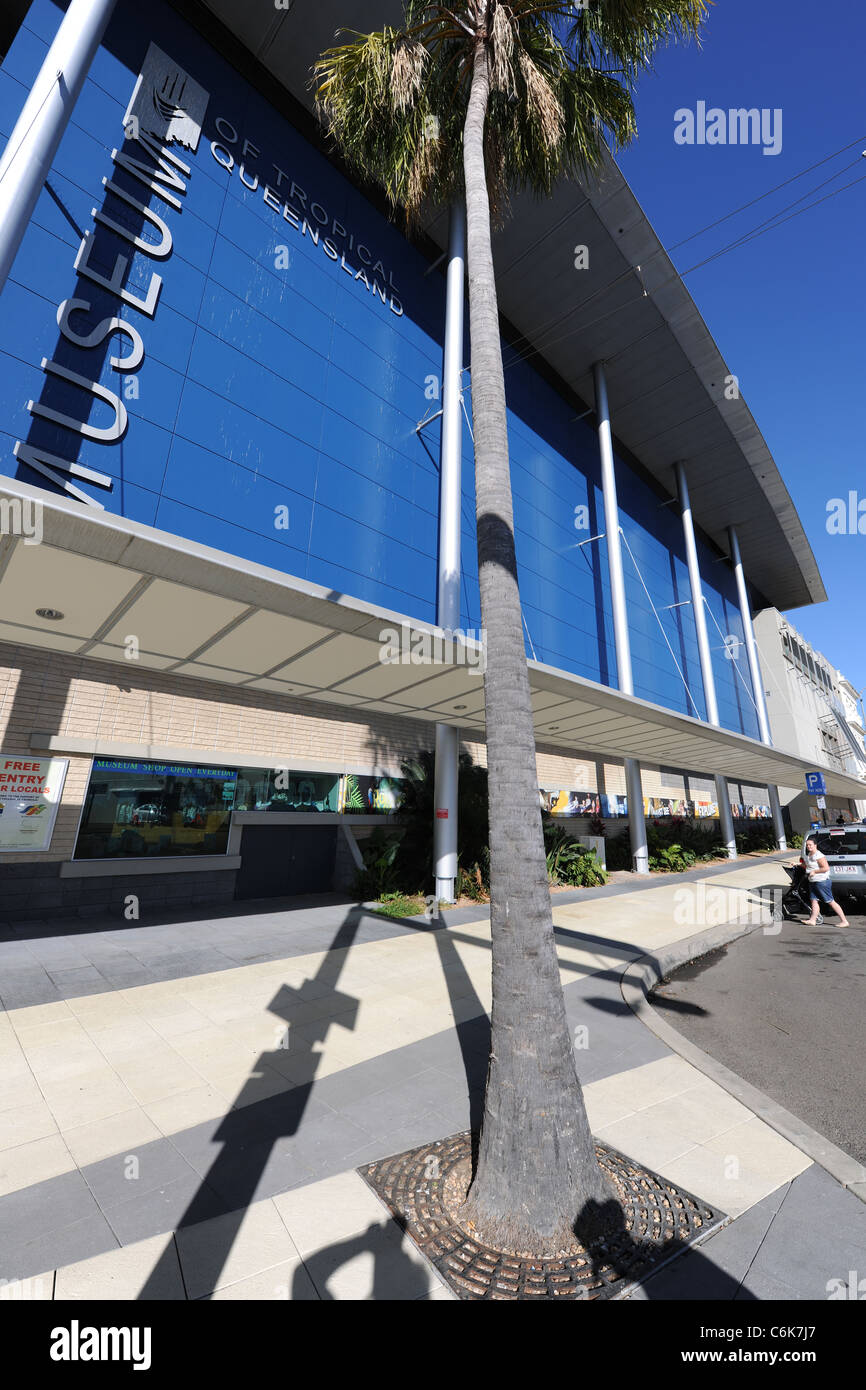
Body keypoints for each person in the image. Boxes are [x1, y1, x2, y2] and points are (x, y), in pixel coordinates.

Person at [801, 836, 849, 927]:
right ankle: (812, 920)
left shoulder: (819, 855)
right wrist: (798, 864)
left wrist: (814, 872)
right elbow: (808, 866)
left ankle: (844, 921)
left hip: (821, 882)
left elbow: (825, 868)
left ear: (815, 845)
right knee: (814, 901)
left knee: (830, 901)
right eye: (807, 845)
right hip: (813, 881)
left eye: (810, 845)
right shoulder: (810, 854)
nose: (808, 847)